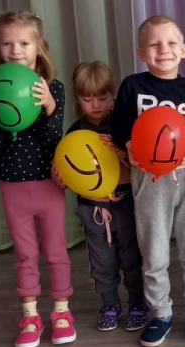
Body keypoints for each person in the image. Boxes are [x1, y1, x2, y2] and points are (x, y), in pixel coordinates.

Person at [109, 15, 185, 347]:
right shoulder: (132, 86)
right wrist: (128, 147)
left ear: (183, 50)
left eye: (170, 43)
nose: (163, 49)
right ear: (141, 53)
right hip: (148, 179)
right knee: (153, 250)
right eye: (154, 44)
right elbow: (118, 130)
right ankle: (161, 313)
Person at [0, 11, 74, 347]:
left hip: (48, 183)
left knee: (56, 249)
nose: (15, 50)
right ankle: (30, 315)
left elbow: (53, 138)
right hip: (12, 184)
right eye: (7, 43)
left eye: (23, 43)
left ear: (38, 47)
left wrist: (49, 106)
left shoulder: (52, 87)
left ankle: (61, 311)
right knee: (25, 252)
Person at [54, 61, 147, 333]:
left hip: (126, 202)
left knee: (132, 258)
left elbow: (138, 164)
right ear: (78, 99)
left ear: (113, 95)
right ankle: (109, 304)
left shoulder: (122, 127)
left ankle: (138, 302)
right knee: (102, 262)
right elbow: (68, 169)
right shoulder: (74, 132)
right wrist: (60, 177)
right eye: (87, 99)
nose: (95, 105)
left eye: (102, 98)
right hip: (92, 208)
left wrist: (120, 152)